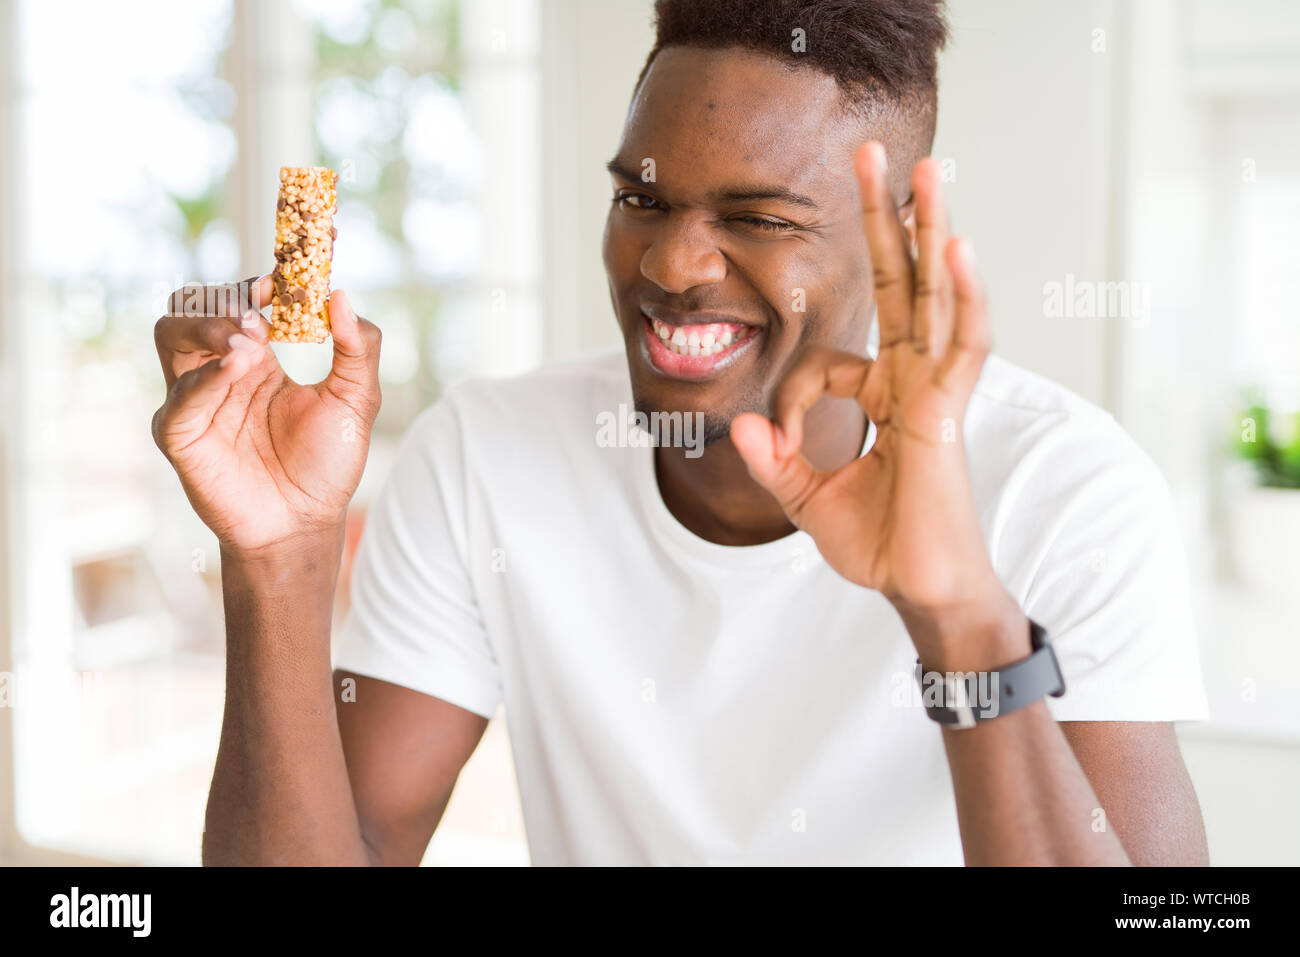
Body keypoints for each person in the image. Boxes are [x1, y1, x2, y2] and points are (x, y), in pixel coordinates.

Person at [152, 0, 1209, 865]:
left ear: (897, 237)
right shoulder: (488, 452)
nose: (670, 267)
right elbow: (361, 848)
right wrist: (276, 558)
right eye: (643, 202)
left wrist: (962, 621)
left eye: (756, 219)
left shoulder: (1065, 487)